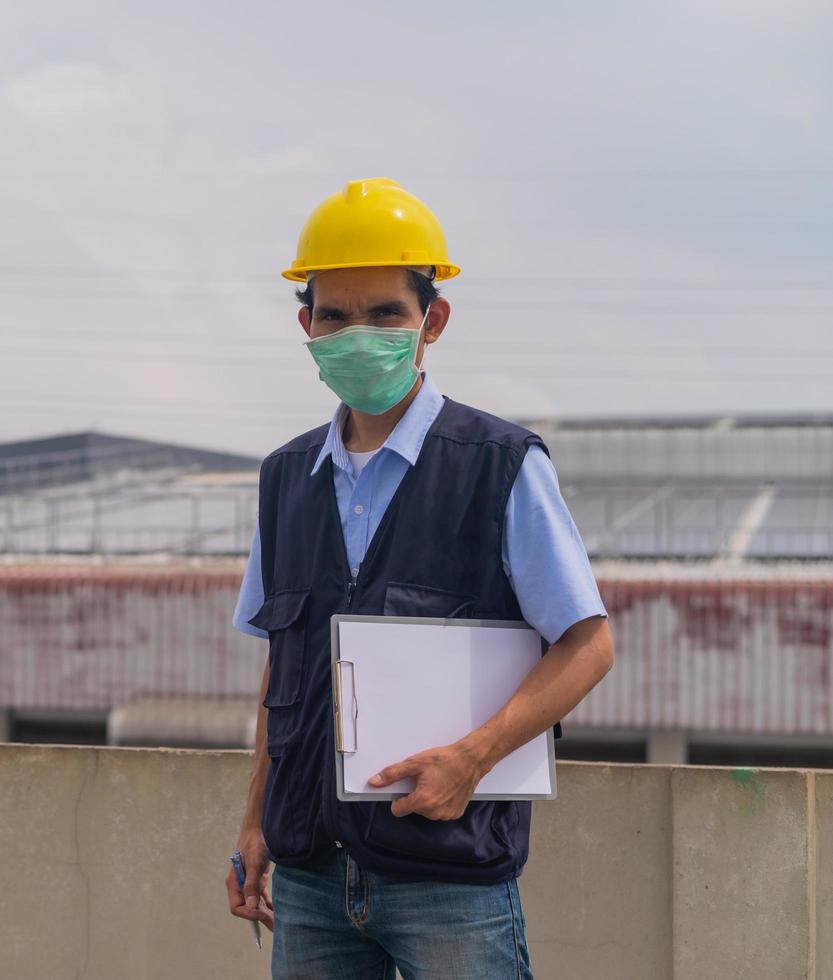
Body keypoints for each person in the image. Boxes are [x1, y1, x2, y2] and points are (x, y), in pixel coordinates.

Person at [223, 178, 615, 979]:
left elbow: (587, 644)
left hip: (450, 877)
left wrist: (471, 758)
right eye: (333, 315)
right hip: (309, 879)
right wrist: (255, 818)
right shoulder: (284, 477)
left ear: (431, 321)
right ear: (306, 327)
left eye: (383, 314)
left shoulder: (498, 465)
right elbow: (284, 668)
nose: (356, 334)